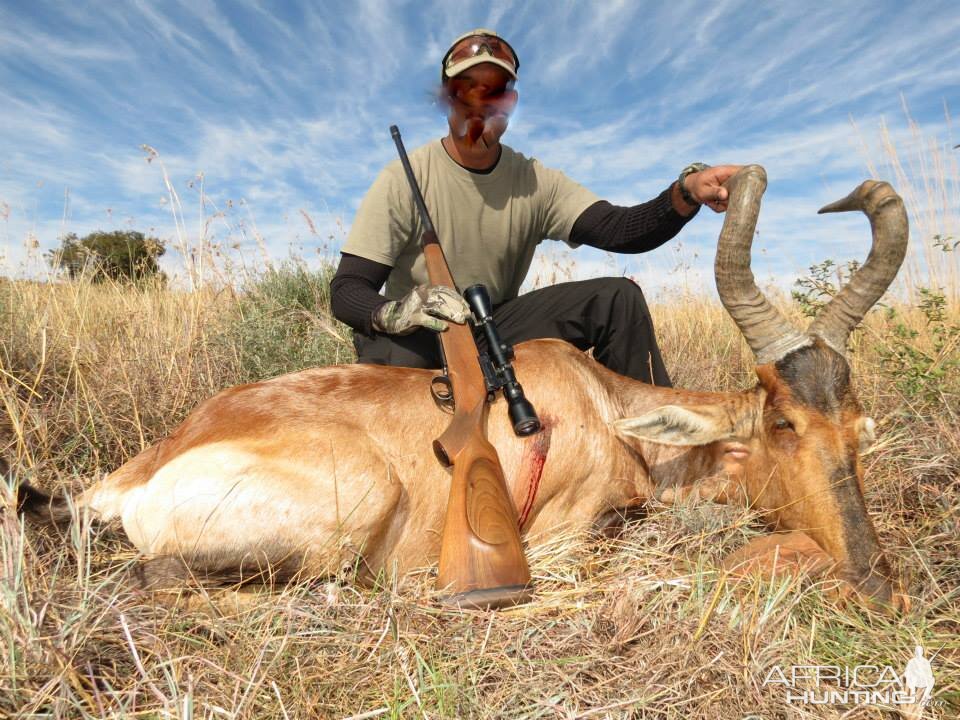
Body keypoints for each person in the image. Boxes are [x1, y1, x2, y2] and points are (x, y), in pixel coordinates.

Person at [330, 29, 740, 386]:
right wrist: (397, 312)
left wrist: (685, 192)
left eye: (494, 91)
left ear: (510, 102)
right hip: (421, 332)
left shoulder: (533, 179)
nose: (479, 103)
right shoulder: (404, 176)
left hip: (493, 324)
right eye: (465, 88)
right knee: (394, 363)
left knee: (618, 298)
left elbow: (620, 229)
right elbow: (348, 290)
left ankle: (660, 440)